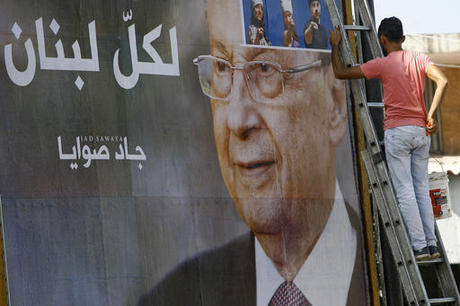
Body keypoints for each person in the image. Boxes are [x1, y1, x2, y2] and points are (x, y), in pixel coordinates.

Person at [138, 0, 367, 305]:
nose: (236, 119)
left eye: (264, 68)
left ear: (335, 105)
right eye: (221, 66)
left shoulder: (395, 270)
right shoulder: (170, 298)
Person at [329, 17, 448, 261]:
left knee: (405, 191)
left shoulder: (382, 64)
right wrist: (431, 115)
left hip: (398, 132)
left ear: (382, 40)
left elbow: (341, 72)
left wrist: (334, 45)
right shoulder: (419, 59)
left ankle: (419, 247)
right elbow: (443, 81)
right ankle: (431, 244)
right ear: (403, 39)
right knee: (420, 189)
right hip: (420, 131)